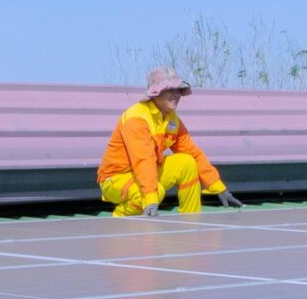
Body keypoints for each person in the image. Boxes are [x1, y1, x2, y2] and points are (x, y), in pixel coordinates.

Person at [101, 67, 244, 216]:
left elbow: (193, 153)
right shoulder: (136, 118)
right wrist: (150, 197)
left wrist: (218, 187)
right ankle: (118, 218)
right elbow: (143, 160)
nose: (176, 95)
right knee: (155, 192)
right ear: (155, 93)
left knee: (187, 162)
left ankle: (192, 222)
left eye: (178, 90)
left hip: (145, 173)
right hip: (115, 178)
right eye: (170, 90)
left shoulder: (172, 120)